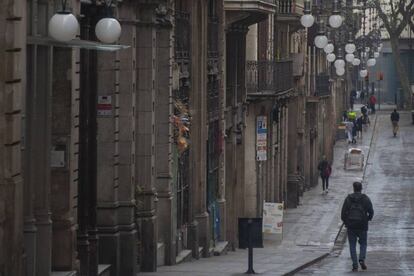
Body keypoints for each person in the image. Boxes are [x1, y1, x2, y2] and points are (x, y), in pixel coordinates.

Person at [341, 182, 374, 272]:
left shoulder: (348, 199)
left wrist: (346, 222)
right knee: (363, 243)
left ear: (353, 188)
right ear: (361, 188)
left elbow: (343, 213)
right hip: (362, 225)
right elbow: (371, 211)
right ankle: (361, 259)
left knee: (352, 245)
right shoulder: (365, 199)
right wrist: (368, 219)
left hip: (351, 225)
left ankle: (355, 265)